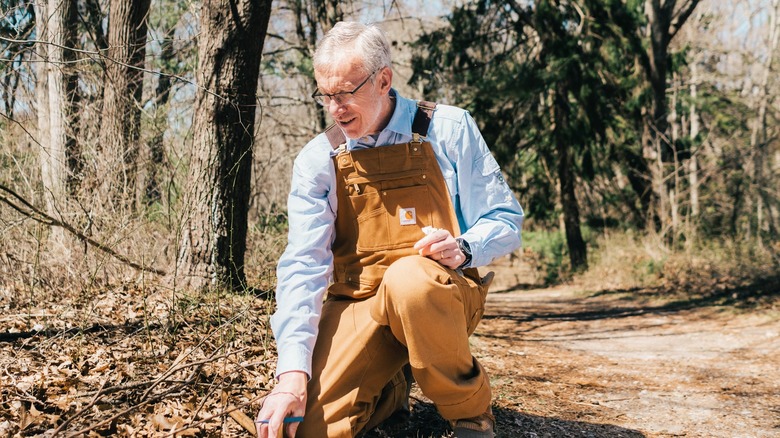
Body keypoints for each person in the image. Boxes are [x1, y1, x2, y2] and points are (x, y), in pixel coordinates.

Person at [255, 21, 524, 438]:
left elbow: (505, 218)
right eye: (325, 95)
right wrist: (291, 374)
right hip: (358, 301)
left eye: (345, 93)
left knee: (409, 281)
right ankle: (389, 392)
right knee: (307, 430)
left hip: (440, 295)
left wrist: (465, 247)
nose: (335, 108)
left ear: (384, 80)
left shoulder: (448, 129)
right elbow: (304, 266)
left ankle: (470, 411)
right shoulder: (317, 160)